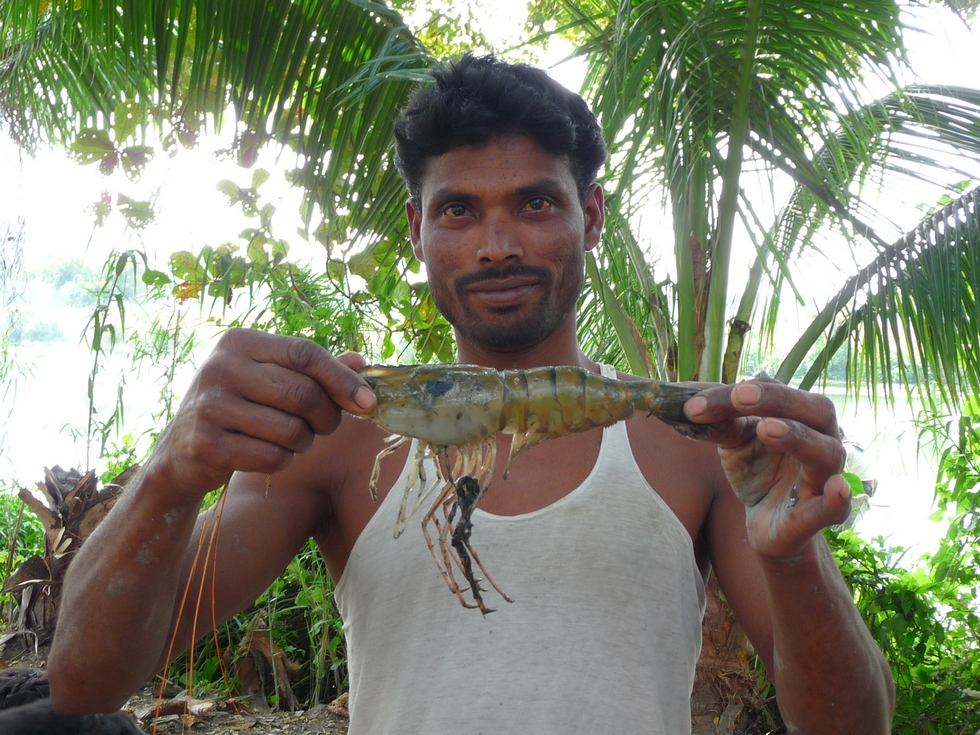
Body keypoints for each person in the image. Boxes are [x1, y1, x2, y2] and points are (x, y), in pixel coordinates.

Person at [47, 54, 894, 733]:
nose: (495, 245)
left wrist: (793, 561)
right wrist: (169, 472)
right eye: (457, 210)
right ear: (416, 229)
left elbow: (854, 726)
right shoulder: (337, 433)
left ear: (589, 216)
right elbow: (85, 679)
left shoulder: (691, 440)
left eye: (534, 202)